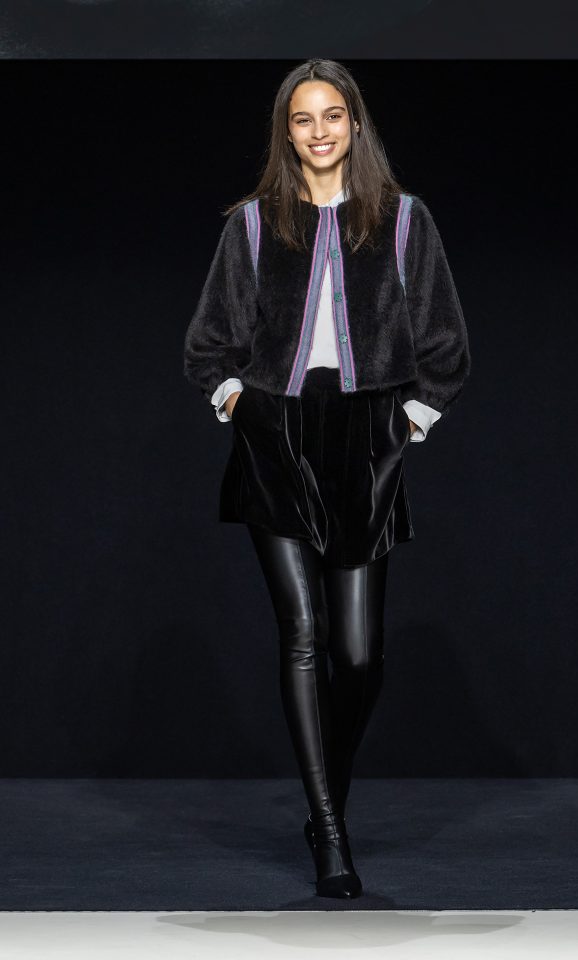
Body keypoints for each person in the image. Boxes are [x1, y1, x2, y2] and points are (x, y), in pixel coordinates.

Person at [183, 58, 471, 899]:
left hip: (365, 434)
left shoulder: (403, 220)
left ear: (355, 124)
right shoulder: (250, 226)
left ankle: (325, 800)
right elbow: (207, 344)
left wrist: (407, 421)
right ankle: (332, 836)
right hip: (275, 430)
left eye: (333, 115)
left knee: (360, 653)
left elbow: (445, 342)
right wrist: (238, 402)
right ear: (286, 132)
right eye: (303, 118)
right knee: (303, 633)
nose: (319, 132)